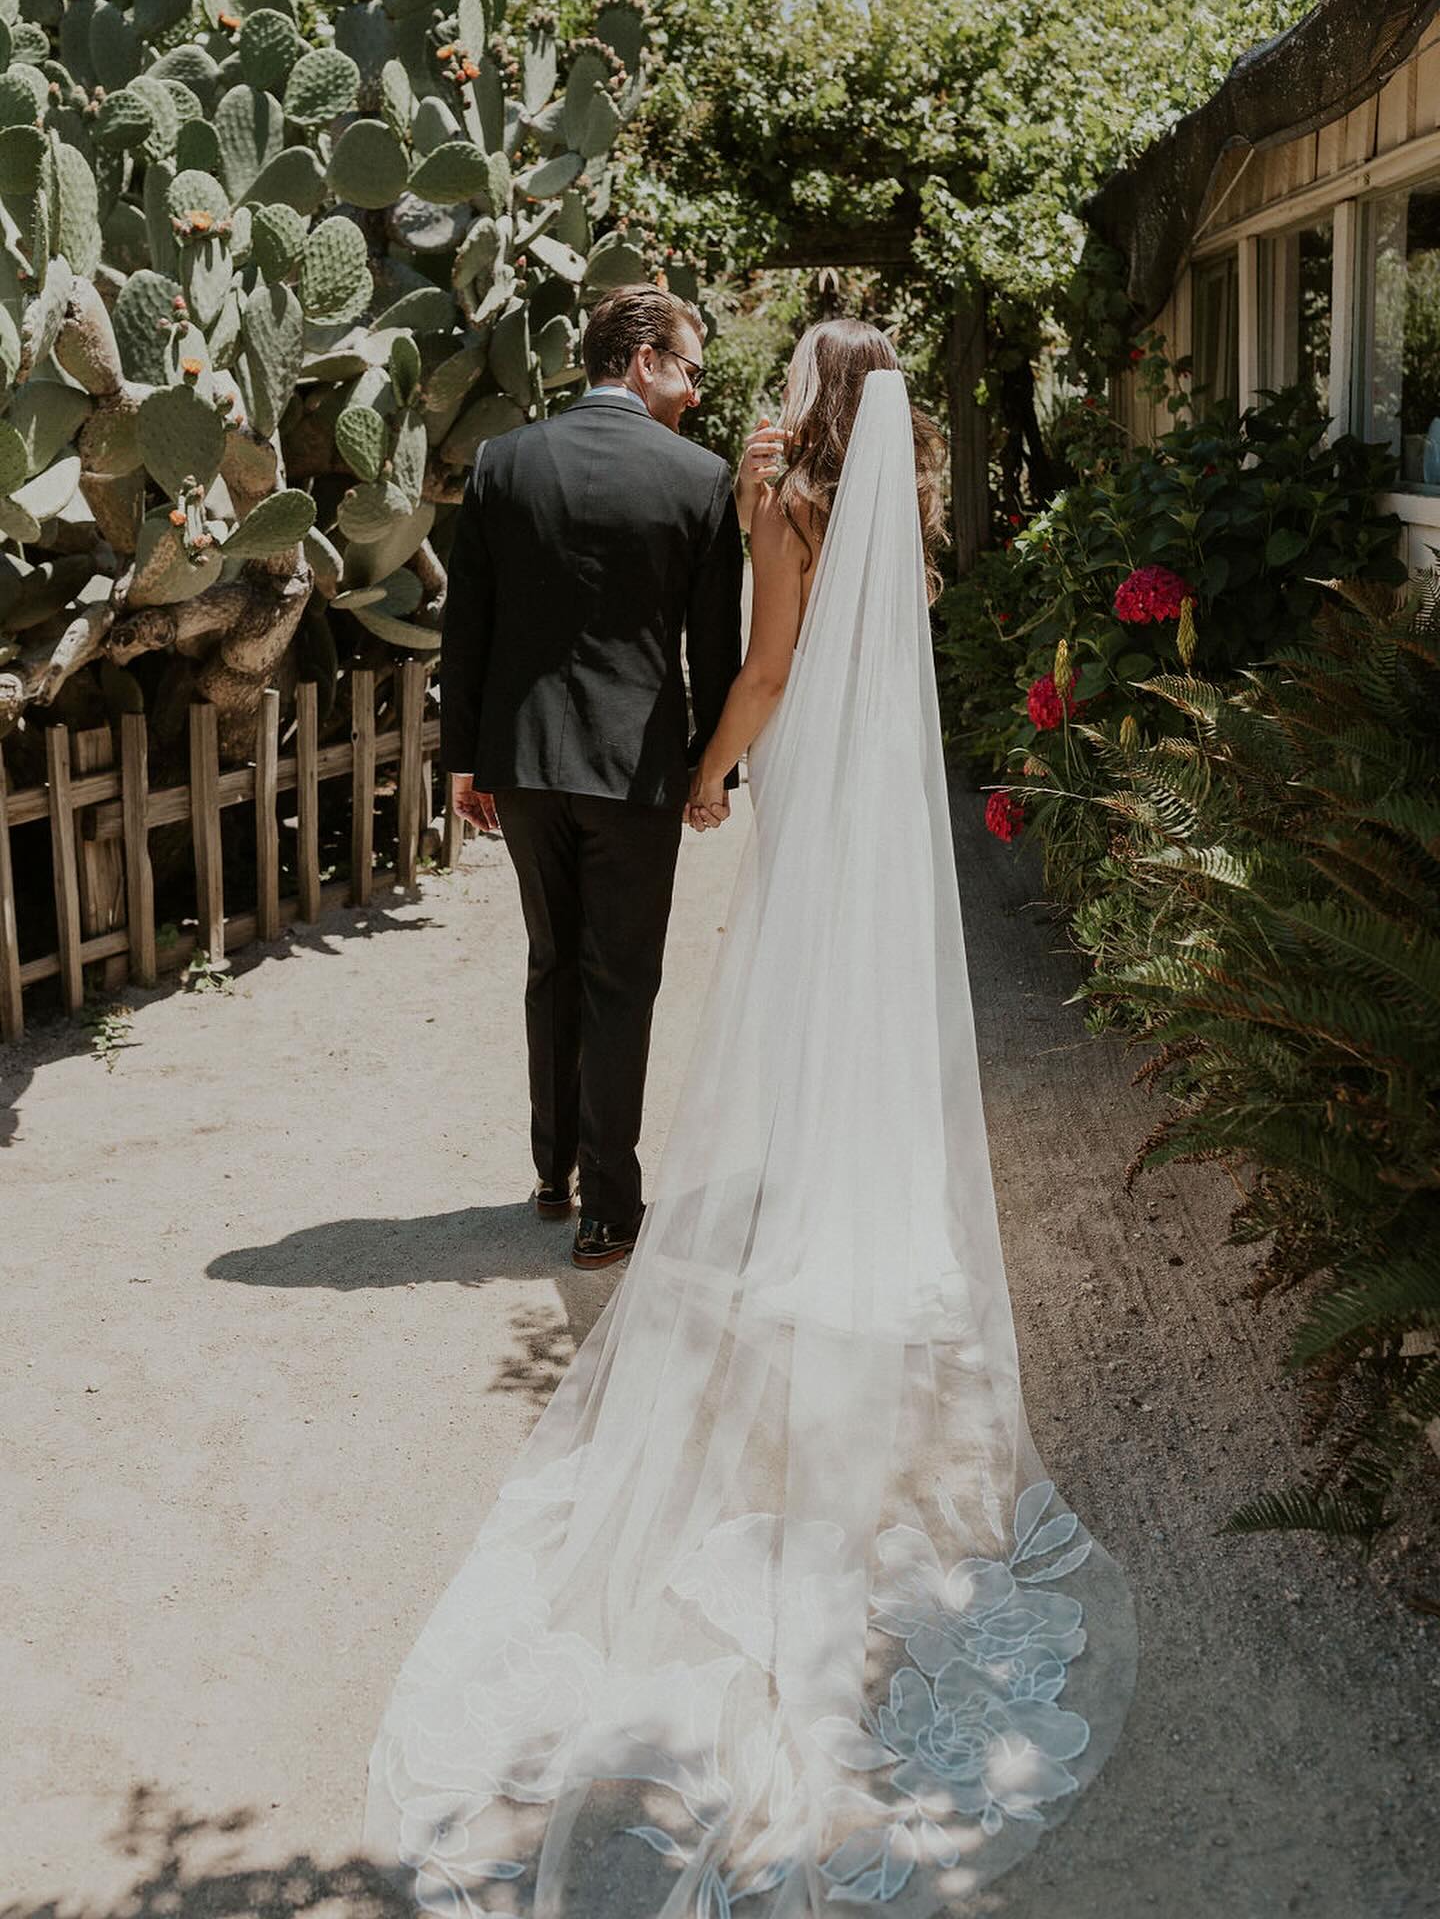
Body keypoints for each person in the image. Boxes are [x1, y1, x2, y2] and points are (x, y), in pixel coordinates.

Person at [367, 319, 1137, 1917]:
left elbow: (769, 670)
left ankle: (646, 1184)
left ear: (818, 393)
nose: (765, 389)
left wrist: (714, 771)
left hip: (791, 786)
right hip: (881, 798)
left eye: (791, 371)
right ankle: (829, 1199)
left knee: (702, 990)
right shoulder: (886, 508)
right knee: (836, 1006)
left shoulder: (766, 497)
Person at [439, 284, 745, 1268]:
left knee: (553, 962)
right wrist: (713, 772)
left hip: (524, 766)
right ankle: (609, 1211)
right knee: (622, 979)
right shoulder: (700, 478)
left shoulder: (504, 462)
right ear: (644, 359)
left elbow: (467, 626)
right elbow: (713, 649)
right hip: (636, 772)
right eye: (690, 369)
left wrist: (465, 763)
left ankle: (552, 1171)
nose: (696, 392)